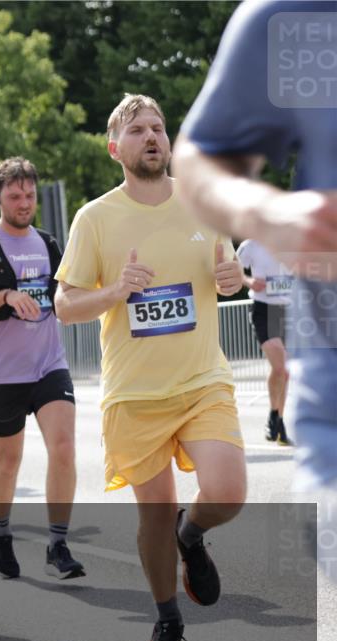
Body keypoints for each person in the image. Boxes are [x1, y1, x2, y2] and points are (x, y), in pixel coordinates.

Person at [54, 94, 247, 641]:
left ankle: (193, 534)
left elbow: (228, 274)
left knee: (230, 492)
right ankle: (167, 618)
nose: (152, 136)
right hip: (134, 394)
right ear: (116, 149)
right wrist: (117, 291)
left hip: (201, 380)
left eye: (158, 128)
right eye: (137, 130)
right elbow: (64, 306)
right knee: (152, 518)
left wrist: (234, 278)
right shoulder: (95, 218)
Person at [172, 0, 336, 493]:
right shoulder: (288, 14)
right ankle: (276, 416)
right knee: (279, 362)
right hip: (302, 338)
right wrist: (267, 214)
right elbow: (201, 154)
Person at [0, 157, 85, 581]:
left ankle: (58, 543)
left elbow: (66, 297)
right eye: (15, 196)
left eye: (29, 195)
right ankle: (3, 530)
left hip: (49, 366)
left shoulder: (49, 244)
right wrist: (5, 296)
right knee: (8, 461)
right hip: (2, 374)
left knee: (64, 448)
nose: (24, 202)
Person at [236, 239, 293, 445]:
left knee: (284, 370)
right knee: (281, 368)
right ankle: (273, 414)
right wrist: (249, 281)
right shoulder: (250, 245)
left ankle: (278, 420)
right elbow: (234, 270)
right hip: (264, 309)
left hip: (290, 311)